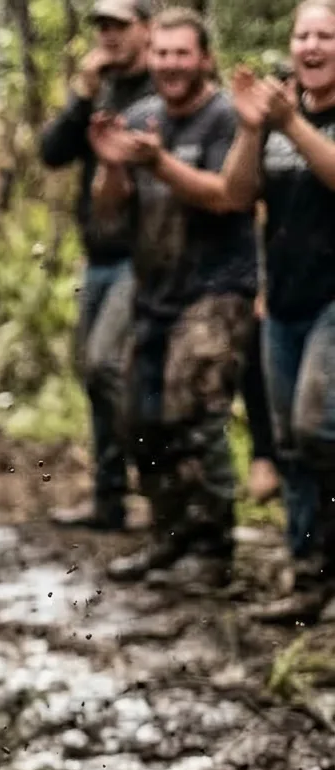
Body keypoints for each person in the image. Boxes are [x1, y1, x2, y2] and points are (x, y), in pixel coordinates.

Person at [90, 8, 265, 589]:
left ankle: (216, 550)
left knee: (194, 414)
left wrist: (157, 162)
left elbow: (228, 198)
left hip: (218, 289)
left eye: (181, 53)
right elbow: (111, 209)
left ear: (204, 58)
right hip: (154, 289)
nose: (169, 64)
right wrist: (113, 168)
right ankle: (167, 536)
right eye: (161, 53)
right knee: (136, 417)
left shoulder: (223, 120)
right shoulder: (140, 118)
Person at [232, 7, 335, 622]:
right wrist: (251, 129)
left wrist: (290, 123)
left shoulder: (292, 118)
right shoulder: (275, 115)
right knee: (292, 447)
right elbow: (240, 196)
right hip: (286, 298)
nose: (312, 45)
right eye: (304, 35)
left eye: (326, 35)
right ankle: (307, 579)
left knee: (315, 428)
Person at [38, 0, 154, 532]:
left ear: (145, 30)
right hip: (100, 255)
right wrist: (81, 94)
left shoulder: (163, 89)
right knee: (92, 372)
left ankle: (156, 482)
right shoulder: (99, 88)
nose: (107, 36)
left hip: (147, 255)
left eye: (119, 25)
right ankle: (110, 498)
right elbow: (53, 152)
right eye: (101, 26)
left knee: (107, 366)